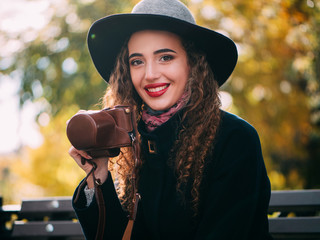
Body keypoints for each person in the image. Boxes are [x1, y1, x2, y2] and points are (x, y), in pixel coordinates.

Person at [68, 0, 273, 239]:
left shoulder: (235, 139)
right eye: (137, 61)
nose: (150, 74)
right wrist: (98, 175)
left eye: (165, 57)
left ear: (193, 63)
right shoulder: (136, 145)